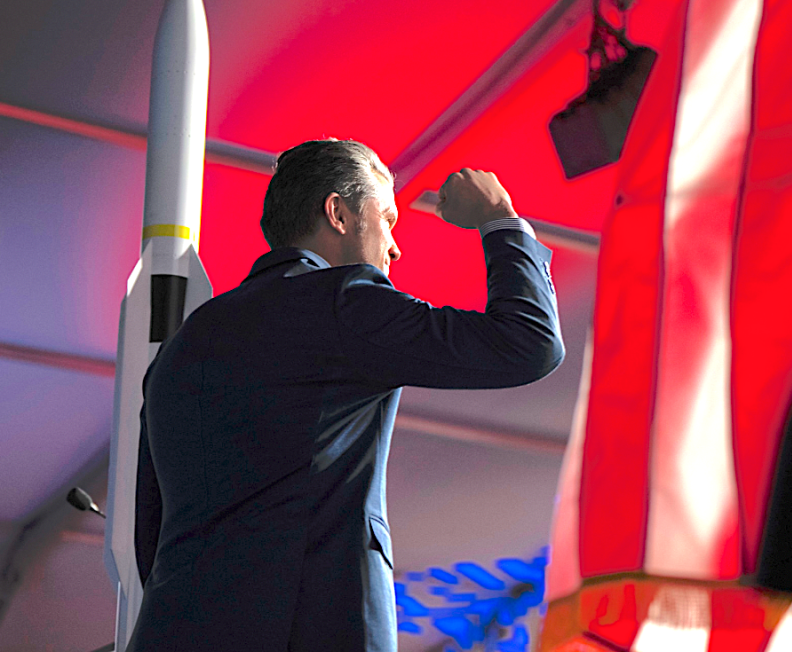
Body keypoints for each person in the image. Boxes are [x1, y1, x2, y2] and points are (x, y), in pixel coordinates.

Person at [127, 139, 563, 651]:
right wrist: (500, 219)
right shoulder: (345, 303)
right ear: (337, 214)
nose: (395, 248)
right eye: (387, 220)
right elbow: (528, 343)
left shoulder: (182, 346)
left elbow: (150, 531)